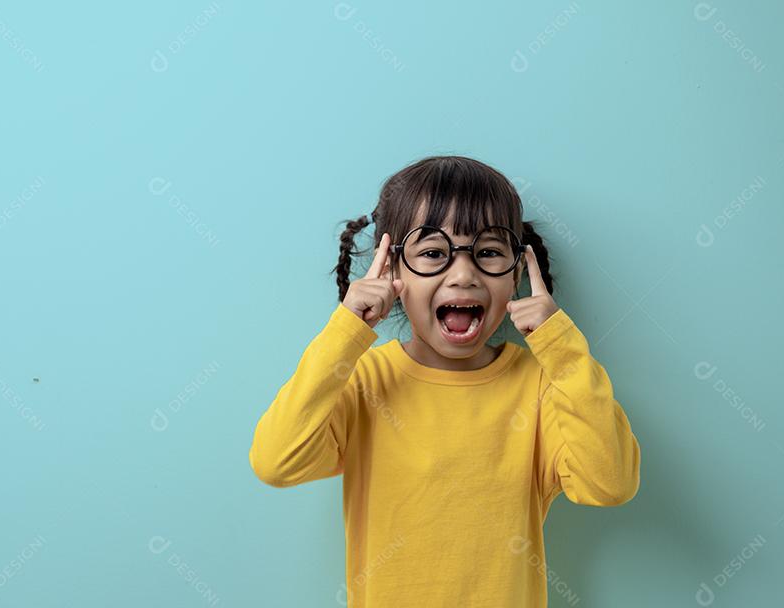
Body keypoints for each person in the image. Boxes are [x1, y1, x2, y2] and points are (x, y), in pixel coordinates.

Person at [248, 155, 641, 607]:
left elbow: (609, 483)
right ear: (392, 270)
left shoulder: (541, 384)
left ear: (515, 271)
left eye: (489, 252)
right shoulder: (363, 381)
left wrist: (561, 347)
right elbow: (276, 462)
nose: (463, 274)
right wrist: (345, 331)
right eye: (433, 253)